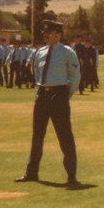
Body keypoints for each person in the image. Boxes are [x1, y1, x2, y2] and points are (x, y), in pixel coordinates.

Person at [14, 20, 82, 187]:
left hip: (59, 95)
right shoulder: (40, 52)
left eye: (50, 32)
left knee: (64, 136)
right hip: (42, 95)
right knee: (37, 135)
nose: (46, 35)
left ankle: (71, 176)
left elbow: (75, 77)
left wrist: (66, 95)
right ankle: (31, 173)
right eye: (44, 32)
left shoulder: (67, 53)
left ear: (59, 35)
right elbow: (36, 71)